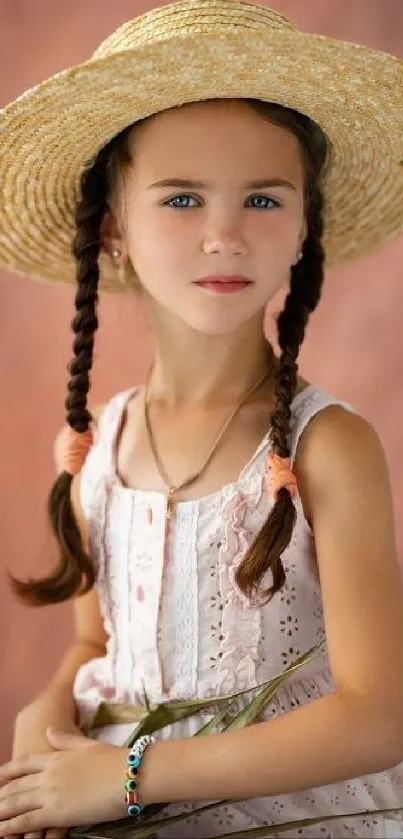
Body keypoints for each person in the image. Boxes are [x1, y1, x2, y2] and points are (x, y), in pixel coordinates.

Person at [0, 1, 403, 837]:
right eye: (181, 200)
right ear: (113, 229)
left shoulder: (329, 447)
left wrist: (132, 776)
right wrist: (44, 713)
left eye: (262, 200)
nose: (224, 235)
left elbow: (377, 715)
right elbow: (91, 647)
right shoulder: (93, 448)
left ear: (303, 228)